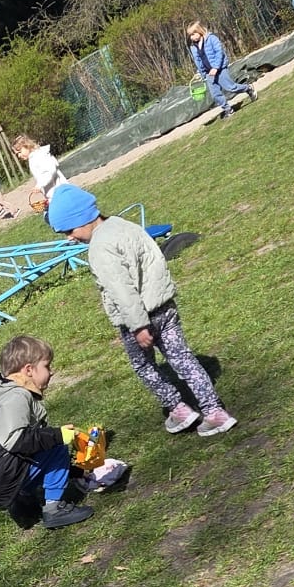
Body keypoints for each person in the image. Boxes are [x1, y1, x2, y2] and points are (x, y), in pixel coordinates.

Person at [47, 184, 237, 438]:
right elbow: (155, 261)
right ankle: (215, 412)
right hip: (164, 307)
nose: (69, 237)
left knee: (144, 365)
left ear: (82, 218)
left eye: (69, 230)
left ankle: (178, 409)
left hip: (138, 319)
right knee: (183, 359)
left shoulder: (99, 248)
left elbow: (121, 290)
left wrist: (138, 326)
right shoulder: (126, 226)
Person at [0, 335, 96, 531]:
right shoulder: (17, 397)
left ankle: (23, 500)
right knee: (56, 447)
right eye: (47, 366)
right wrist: (58, 436)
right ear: (28, 370)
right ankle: (54, 509)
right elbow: (16, 440)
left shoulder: (5, 394)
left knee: (43, 443)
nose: (51, 372)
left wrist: (78, 471)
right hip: (2, 474)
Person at [185, 21, 257, 119]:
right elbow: (198, 61)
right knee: (215, 95)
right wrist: (200, 73)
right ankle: (228, 110)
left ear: (199, 31)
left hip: (219, 69)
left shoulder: (211, 39)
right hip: (208, 73)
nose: (191, 37)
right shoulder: (193, 47)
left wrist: (215, 67)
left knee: (231, 88)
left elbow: (219, 53)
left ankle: (248, 88)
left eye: (193, 34)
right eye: (190, 35)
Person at [12, 136, 65, 214]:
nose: (19, 156)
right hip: (53, 195)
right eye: (17, 154)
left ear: (26, 146)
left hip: (60, 192)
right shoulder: (32, 158)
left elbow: (50, 171)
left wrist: (40, 185)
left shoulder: (39, 155)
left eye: (19, 152)